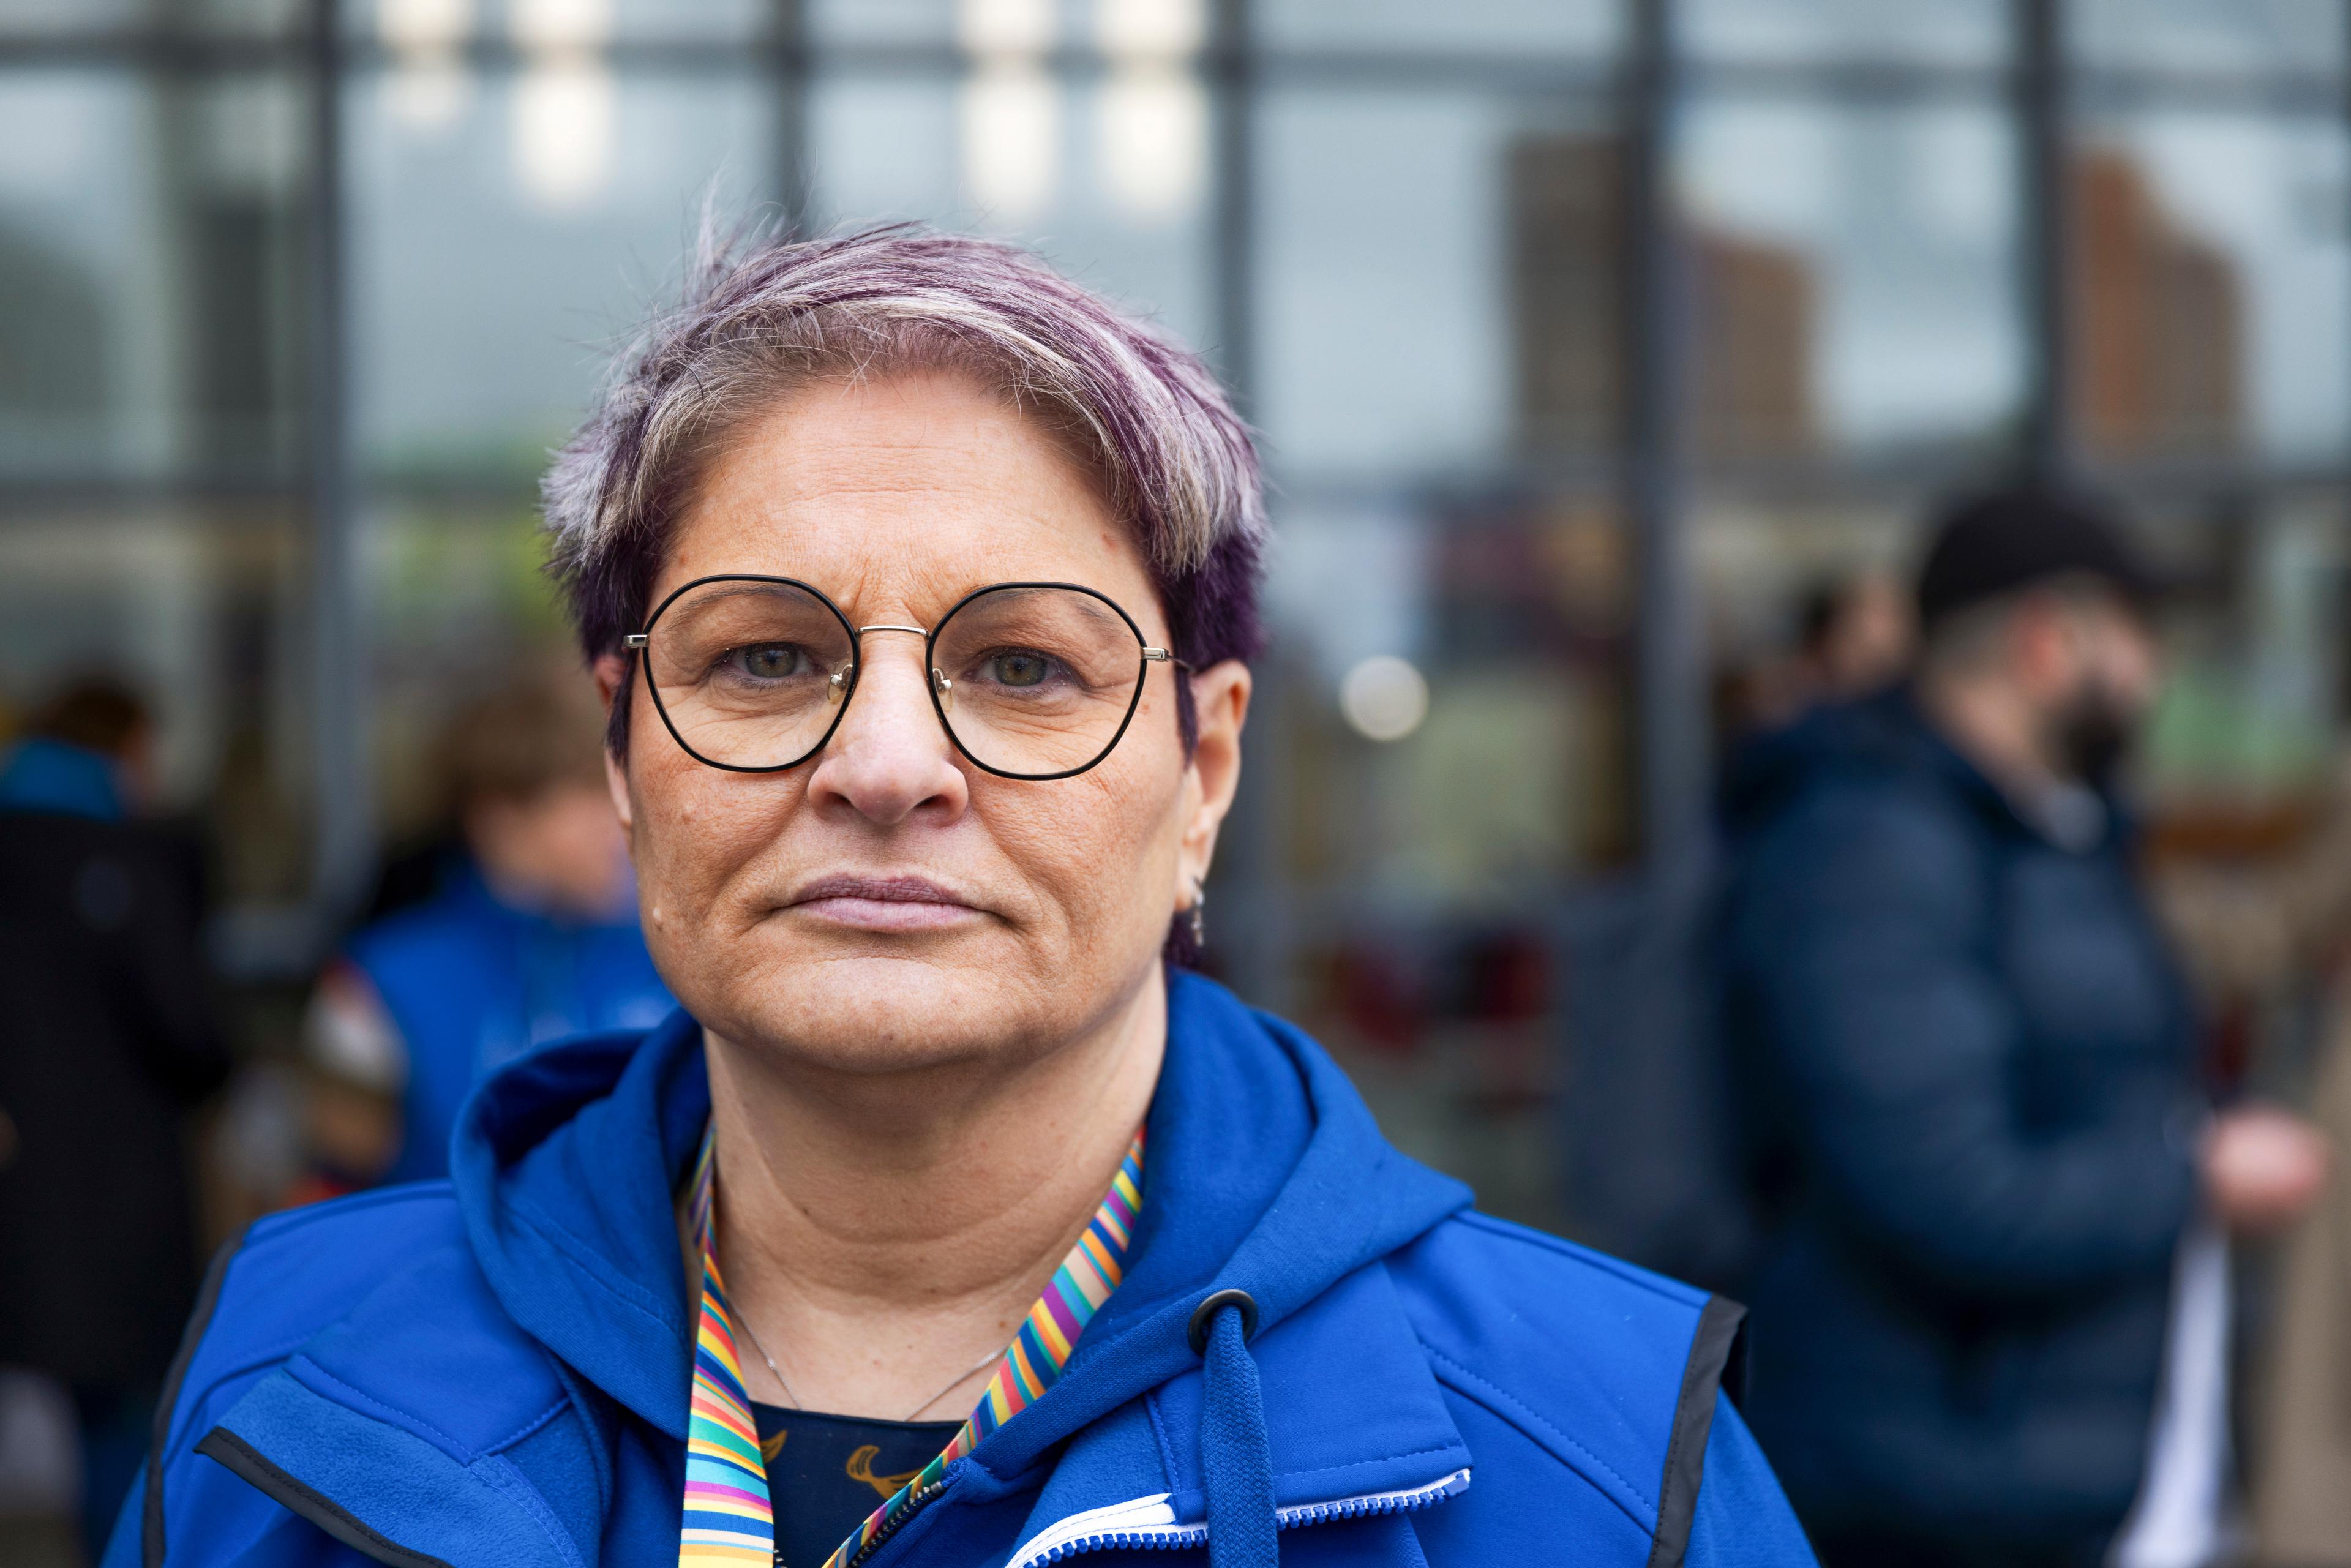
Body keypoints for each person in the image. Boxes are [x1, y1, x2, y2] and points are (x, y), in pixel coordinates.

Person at [114, 225, 1816, 1568]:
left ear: (1204, 772)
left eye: (1020, 666)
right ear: (625, 751)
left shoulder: (1584, 1454)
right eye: (767, 656)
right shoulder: (285, 1379)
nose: (885, 764)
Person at [1723, 487, 2327, 1567]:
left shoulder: (2055, 833)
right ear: (2050, 643)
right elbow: (1946, 1185)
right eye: (2140, 640)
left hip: (2076, 1486)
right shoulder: (1867, 846)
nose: (2156, 676)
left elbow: (2097, 1085)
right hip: (1944, 1504)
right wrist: (2197, 1175)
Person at [0, 679, 230, 1558]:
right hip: (111, 1189)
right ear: (124, 750)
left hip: (31, 1185)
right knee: (124, 1418)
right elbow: (189, 1034)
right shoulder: (121, 860)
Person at [300, 673, 673, 1191]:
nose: (623, 820)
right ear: (501, 818)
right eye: (591, 793)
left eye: (626, 787)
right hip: (447, 1267)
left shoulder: (671, 956)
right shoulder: (381, 981)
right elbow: (331, 1198)